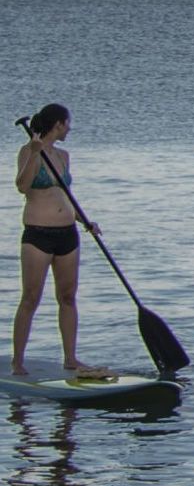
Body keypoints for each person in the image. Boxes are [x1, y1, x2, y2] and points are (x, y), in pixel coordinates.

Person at [14, 104, 104, 380]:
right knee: (30, 298)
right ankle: (18, 361)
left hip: (68, 235)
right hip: (38, 234)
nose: (69, 128)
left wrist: (84, 220)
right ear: (58, 124)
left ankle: (70, 358)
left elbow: (65, 196)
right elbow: (22, 186)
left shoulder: (64, 156)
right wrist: (35, 154)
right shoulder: (29, 151)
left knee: (67, 297)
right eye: (68, 123)